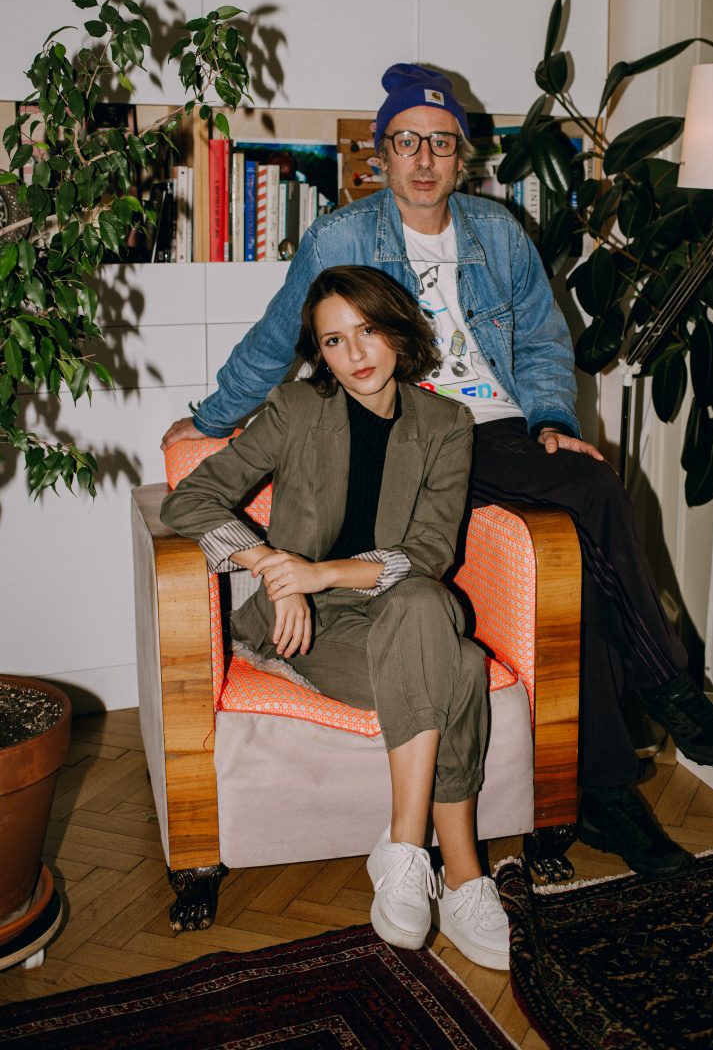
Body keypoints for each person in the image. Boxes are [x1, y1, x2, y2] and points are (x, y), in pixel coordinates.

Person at [162, 63, 713, 880]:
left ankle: (609, 781)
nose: (424, 159)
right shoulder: (340, 238)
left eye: (441, 143)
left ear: (462, 157)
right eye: (407, 142)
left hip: (496, 428)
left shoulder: (497, 232)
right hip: (408, 427)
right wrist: (214, 416)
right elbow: (277, 337)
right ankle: (662, 697)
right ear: (382, 153)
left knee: (585, 520)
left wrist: (551, 421)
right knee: (590, 499)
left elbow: (540, 339)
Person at [160, 265, 510, 970]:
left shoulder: (446, 425)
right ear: (319, 352)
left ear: (398, 331)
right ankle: (464, 877)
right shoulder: (295, 409)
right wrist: (272, 566)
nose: (356, 354)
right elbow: (188, 500)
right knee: (463, 666)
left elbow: (428, 554)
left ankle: (405, 850)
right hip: (310, 627)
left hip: (398, 605)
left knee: (422, 604)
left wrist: (321, 571)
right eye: (334, 340)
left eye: (368, 330)